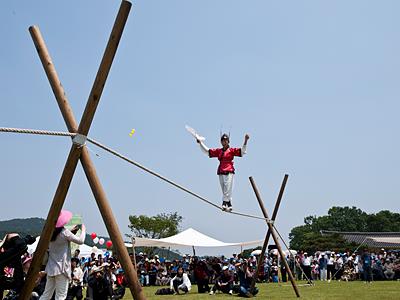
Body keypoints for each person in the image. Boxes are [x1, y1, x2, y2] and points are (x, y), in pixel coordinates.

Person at [40, 210, 86, 300]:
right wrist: (83, 230)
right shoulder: (65, 232)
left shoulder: (51, 234)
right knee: (61, 296)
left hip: (51, 268)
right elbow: (81, 241)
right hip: (62, 269)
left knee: (46, 295)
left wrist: (70, 231)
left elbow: (60, 236)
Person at [197, 133, 249, 211]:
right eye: (223, 141)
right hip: (221, 171)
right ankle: (229, 204)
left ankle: (224, 203)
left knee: (228, 188)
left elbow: (242, 152)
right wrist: (200, 143)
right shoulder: (219, 151)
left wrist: (245, 140)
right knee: (224, 189)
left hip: (229, 171)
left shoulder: (231, 150)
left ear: (228, 141)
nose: (224, 142)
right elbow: (207, 152)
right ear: (221, 142)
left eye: (226, 140)